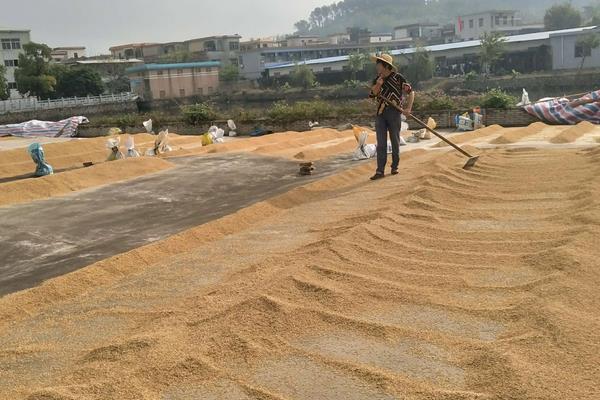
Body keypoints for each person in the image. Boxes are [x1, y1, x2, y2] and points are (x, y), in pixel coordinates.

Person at [368, 53, 415, 180]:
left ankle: (394, 166)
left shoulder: (398, 78)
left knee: (395, 140)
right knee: (381, 143)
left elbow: (411, 92)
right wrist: (378, 84)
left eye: (379, 64)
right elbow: (372, 95)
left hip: (394, 113)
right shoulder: (377, 79)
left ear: (386, 66)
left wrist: (408, 108)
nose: (377, 66)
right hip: (380, 114)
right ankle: (380, 171)